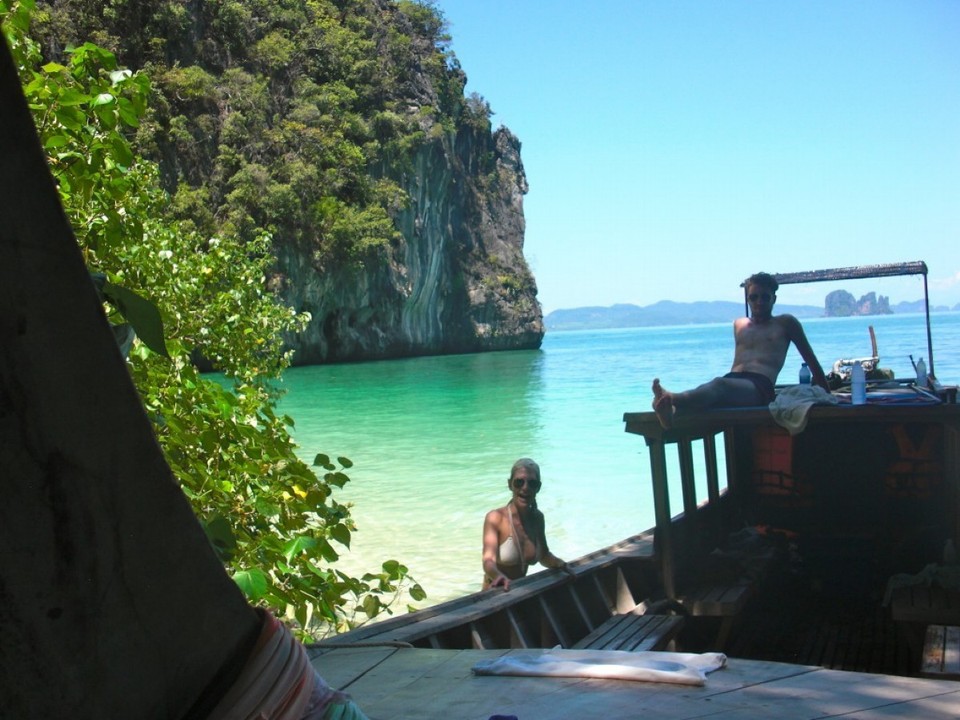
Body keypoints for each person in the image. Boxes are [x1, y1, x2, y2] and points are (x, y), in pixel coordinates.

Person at [652, 271, 828, 428]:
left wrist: (827, 394)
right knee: (709, 394)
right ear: (748, 299)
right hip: (734, 382)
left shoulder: (785, 323)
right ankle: (670, 414)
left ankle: (670, 398)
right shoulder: (739, 324)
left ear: (774, 299)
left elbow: (811, 360)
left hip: (759, 387)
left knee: (718, 385)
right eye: (754, 297)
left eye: (765, 297)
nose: (759, 302)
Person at [482, 458, 572, 590]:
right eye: (519, 482)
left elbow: (544, 556)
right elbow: (488, 561)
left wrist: (561, 564)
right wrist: (497, 576)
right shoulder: (496, 518)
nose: (525, 488)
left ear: (538, 487)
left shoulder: (537, 518)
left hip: (519, 592)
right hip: (495, 593)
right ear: (510, 484)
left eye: (532, 483)